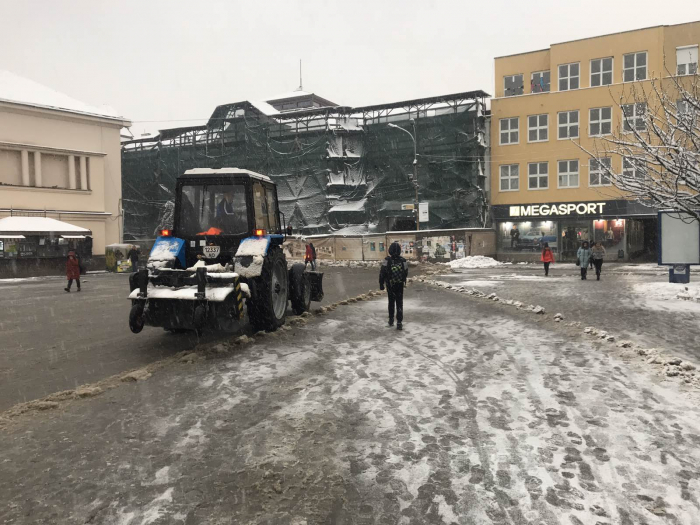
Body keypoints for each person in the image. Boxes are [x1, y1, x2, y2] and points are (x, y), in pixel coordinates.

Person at [379, 242, 409, 330]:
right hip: (399, 284)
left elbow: (382, 272)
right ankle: (399, 322)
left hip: (390, 284)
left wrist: (381, 283)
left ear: (390, 250)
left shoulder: (387, 260)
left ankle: (391, 320)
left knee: (391, 302)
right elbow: (406, 272)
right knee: (399, 303)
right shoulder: (403, 260)